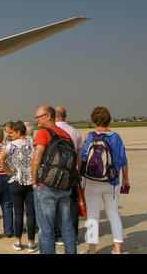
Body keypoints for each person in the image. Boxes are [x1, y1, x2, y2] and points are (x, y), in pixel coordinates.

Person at [80, 107, 130, 254]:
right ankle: (118, 250)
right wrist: (126, 179)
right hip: (112, 181)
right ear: (108, 119)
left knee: (93, 217)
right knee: (114, 214)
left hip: (92, 182)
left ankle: (92, 250)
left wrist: (85, 142)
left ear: (93, 120)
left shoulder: (91, 136)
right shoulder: (116, 137)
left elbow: (83, 158)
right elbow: (123, 160)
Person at [31, 105, 77, 254]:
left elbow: (37, 158)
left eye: (38, 117)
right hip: (65, 186)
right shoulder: (66, 134)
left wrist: (34, 181)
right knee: (67, 226)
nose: (36, 121)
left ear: (48, 116)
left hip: (47, 186)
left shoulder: (43, 133)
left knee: (46, 229)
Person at [0, 121, 38, 252]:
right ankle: (32, 242)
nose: (10, 135)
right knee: (31, 213)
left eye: (12, 132)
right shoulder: (33, 143)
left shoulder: (11, 145)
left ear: (18, 132)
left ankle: (18, 241)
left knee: (18, 212)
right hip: (31, 181)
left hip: (16, 181)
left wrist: (9, 172)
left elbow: (1, 160)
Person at [54, 106, 83, 246]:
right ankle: (73, 235)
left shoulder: (49, 131)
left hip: (55, 174)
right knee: (72, 204)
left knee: (54, 203)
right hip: (72, 173)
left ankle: (58, 235)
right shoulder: (75, 132)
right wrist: (79, 172)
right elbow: (79, 156)